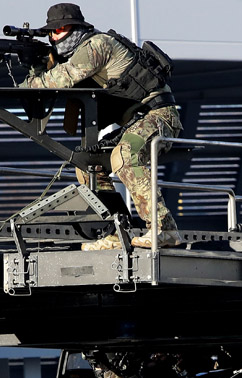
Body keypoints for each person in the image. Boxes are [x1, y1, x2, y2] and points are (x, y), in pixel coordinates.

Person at [23, 3, 183, 250]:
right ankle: (117, 232)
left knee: (126, 156)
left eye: (59, 29)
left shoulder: (97, 45)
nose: (54, 36)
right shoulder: (81, 53)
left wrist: (27, 83)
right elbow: (58, 79)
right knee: (88, 166)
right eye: (50, 32)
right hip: (138, 119)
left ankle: (164, 229)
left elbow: (61, 79)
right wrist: (35, 64)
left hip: (159, 116)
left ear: (76, 29)